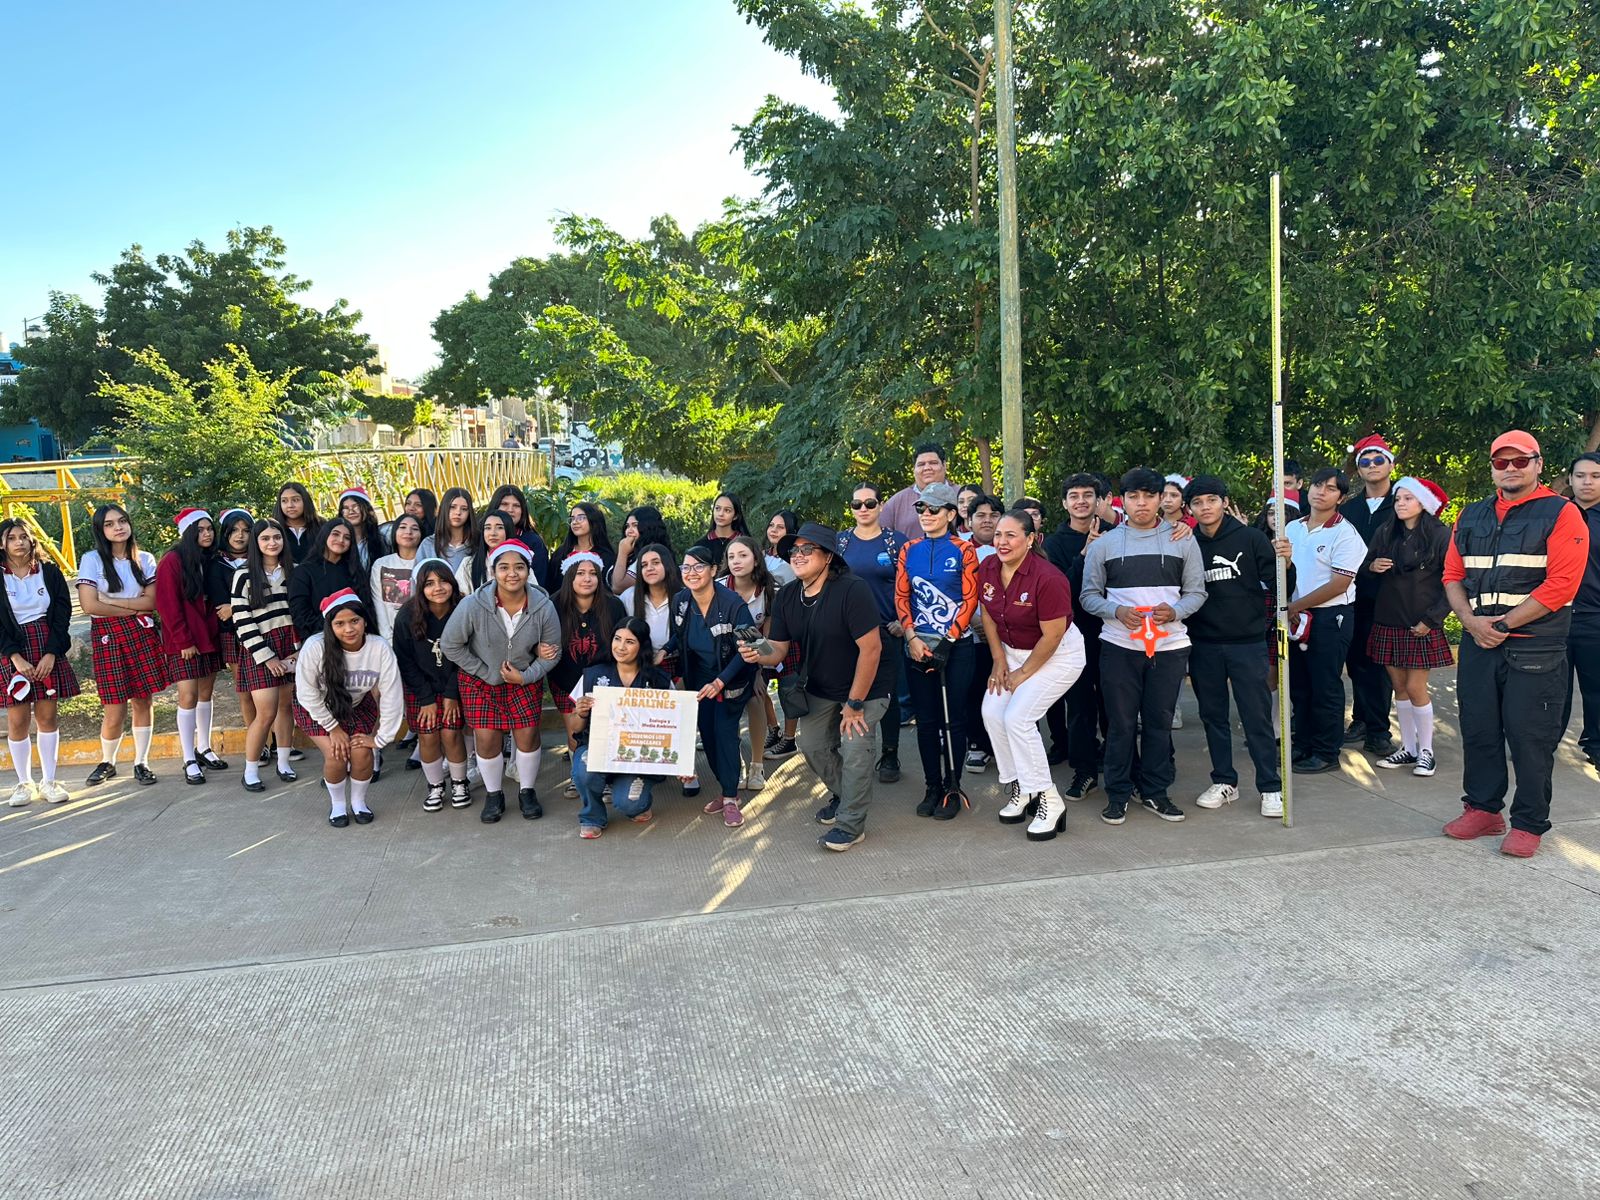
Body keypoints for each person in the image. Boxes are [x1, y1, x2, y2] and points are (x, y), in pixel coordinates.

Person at [1441, 431, 1589, 857]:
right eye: (1501, 462)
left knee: (1530, 737)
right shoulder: (1469, 515)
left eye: (1520, 461)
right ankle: (1484, 809)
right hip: (1478, 643)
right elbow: (1452, 575)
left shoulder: (1561, 514)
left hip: (1536, 647)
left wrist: (1501, 625)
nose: (1510, 468)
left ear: (1538, 465)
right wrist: (1471, 623)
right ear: (1491, 467)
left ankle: (1529, 823)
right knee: (1480, 730)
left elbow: (1561, 585)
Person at [741, 522, 891, 852]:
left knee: (854, 751)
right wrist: (756, 651)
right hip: (821, 687)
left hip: (865, 688)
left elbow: (872, 649)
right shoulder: (789, 596)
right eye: (794, 550)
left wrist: (854, 704)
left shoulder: (853, 590)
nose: (798, 555)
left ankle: (851, 824)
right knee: (811, 745)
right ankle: (847, 795)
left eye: (807, 549)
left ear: (828, 557)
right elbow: (777, 650)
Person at [1082, 468, 1208, 824]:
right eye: (1134, 497)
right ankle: (1118, 794)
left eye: (1149, 496)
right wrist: (1116, 610)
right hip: (1119, 646)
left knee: (1159, 723)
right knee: (1121, 725)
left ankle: (1155, 792)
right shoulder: (1104, 543)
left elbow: (1197, 592)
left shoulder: (1183, 539)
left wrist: (1177, 610)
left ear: (1161, 500)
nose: (1142, 504)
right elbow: (1089, 595)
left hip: (1169, 647)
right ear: (1123, 500)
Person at [977, 510, 1085, 839]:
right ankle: (1023, 787)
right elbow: (989, 615)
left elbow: (1052, 637)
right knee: (992, 712)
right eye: (998, 534)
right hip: (1011, 653)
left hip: (1056, 656)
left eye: (1011, 535)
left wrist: (1023, 673)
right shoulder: (988, 567)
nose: (1002, 541)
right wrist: (998, 660)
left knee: (1018, 719)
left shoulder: (1049, 577)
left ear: (1030, 539)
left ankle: (1049, 800)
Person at [1182, 476, 1285, 818]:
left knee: (1255, 717)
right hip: (1204, 644)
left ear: (1224, 502)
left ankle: (1270, 787)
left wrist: (1286, 561)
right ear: (1190, 509)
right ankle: (1225, 780)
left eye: (1212, 500)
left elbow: (1282, 584)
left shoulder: (1251, 538)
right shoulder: (1186, 542)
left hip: (1247, 644)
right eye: (1198, 502)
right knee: (1213, 716)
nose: (1205, 507)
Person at [440, 541, 562, 823]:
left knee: (528, 734)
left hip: (523, 679)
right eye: (504, 567)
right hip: (480, 681)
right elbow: (450, 644)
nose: (512, 574)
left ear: (528, 571)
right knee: (486, 737)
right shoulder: (473, 604)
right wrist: (485, 671)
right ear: (492, 571)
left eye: (519, 567)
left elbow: (553, 652)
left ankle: (527, 791)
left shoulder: (543, 606)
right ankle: (494, 794)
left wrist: (526, 676)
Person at [893, 482, 980, 818]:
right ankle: (932, 786)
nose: (925, 515)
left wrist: (949, 641)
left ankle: (953, 786)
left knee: (953, 719)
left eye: (932, 509)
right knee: (926, 721)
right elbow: (902, 596)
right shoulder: (909, 549)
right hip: (916, 646)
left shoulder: (964, 549)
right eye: (921, 509)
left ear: (950, 514)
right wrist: (912, 639)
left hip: (955, 648)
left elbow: (970, 598)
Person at [1273, 467, 1367, 774]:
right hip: (1295, 614)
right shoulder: (1294, 528)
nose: (1320, 492)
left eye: (1330, 488)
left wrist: (1294, 606)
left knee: (1324, 684)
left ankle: (1327, 752)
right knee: (1299, 683)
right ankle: (1303, 744)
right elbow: (1285, 570)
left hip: (1329, 616)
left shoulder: (1345, 533)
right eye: (1317, 485)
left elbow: (1339, 584)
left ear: (1341, 497)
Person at [1362, 477, 1453, 776]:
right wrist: (1372, 567)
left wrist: (1432, 620)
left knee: (1415, 687)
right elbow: (1365, 565)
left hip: (1421, 623)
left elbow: (1453, 581)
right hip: (1389, 619)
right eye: (1398, 498)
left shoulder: (1440, 535)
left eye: (1408, 498)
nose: (1400, 503)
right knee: (1399, 688)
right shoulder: (1386, 531)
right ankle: (1409, 748)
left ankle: (1426, 751)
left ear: (1423, 503)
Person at [293, 590, 404, 827]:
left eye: (354, 621)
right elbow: (306, 693)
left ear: (365, 621)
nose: (349, 629)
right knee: (337, 754)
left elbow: (392, 694)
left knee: (363, 753)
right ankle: (338, 806)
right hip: (316, 708)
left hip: (355, 706)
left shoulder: (379, 647)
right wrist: (333, 728)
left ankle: (358, 803)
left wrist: (380, 738)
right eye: (340, 623)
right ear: (330, 626)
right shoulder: (315, 647)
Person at [664, 544, 756, 827]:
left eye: (699, 566)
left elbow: (750, 648)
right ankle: (726, 787)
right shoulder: (681, 601)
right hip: (699, 680)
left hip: (731, 679)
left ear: (714, 570)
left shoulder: (733, 604)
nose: (691, 573)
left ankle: (731, 798)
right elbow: (679, 638)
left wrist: (721, 681)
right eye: (686, 567)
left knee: (725, 733)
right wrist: (662, 652)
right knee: (708, 734)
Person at [76, 504, 165, 786]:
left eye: (122, 521)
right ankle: (108, 761)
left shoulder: (145, 559)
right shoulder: (92, 559)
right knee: (114, 704)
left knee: (143, 699)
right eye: (110, 524)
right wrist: (131, 609)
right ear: (101, 530)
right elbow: (90, 605)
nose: (118, 527)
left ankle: (141, 761)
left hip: (141, 634)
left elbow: (152, 602)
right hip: (108, 634)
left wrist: (112, 601)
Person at [570, 619, 677, 838]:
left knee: (630, 804)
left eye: (630, 641)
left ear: (642, 646)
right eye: (617, 639)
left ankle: (639, 801)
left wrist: (682, 764)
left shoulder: (659, 681)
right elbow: (575, 729)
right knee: (584, 766)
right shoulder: (593, 675)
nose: (621, 647)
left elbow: (674, 727)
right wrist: (580, 712)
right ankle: (592, 816)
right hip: (599, 749)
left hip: (638, 759)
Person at [0, 518, 78, 805]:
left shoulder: (49, 572)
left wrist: (51, 653)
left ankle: (49, 780)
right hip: (12, 650)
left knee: (47, 717)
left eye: (24, 536)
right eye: (12, 538)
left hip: (46, 645)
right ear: (2, 544)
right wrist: (14, 657)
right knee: (18, 719)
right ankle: (23, 783)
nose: (19, 542)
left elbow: (62, 615)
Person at [836, 482, 908, 780]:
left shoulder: (896, 541)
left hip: (887, 630)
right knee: (848, 692)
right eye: (857, 504)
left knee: (885, 696)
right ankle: (853, 755)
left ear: (881, 506)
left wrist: (904, 622)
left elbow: (910, 585)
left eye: (869, 503)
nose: (863, 509)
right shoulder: (839, 543)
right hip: (846, 633)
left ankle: (890, 755)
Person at [1044, 473, 1109, 795]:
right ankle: (1084, 771)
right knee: (1080, 707)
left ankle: (1122, 769)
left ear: (1099, 501)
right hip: (1073, 636)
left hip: (1115, 633)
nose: (1081, 500)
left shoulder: (1117, 535)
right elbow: (1060, 591)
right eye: (1074, 495)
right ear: (1064, 503)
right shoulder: (1053, 545)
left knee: (1116, 705)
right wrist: (1084, 555)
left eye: (1087, 494)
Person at [392, 559, 471, 811]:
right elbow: (404, 660)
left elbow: (469, 655)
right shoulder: (407, 615)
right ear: (420, 587)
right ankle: (435, 786)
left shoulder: (464, 609)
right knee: (427, 736)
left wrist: (451, 694)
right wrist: (426, 699)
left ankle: (460, 782)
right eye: (429, 583)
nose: (438, 588)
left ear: (452, 582)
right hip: (421, 687)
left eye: (443, 581)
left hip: (455, 683)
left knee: (451, 733)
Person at [155, 508, 227, 784]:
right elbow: (167, 605)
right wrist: (184, 640)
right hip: (184, 641)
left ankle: (204, 747)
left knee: (206, 694)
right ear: (188, 532)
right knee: (187, 696)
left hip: (208, 637)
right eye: (200, 530)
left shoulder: (210, 559)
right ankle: (188, 758)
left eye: (210, 529)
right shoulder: (172, 561)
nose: (207, 534)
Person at [231, 518, 301, 792]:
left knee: (287, 707)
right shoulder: (244, 575)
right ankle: (250, 770)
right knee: (266, 712)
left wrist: (297, 651)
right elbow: (241, 619)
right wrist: (267, 657)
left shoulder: (292, 571)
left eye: (277, 537)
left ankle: (284, 763)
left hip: (290, 645)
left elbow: (299, 613)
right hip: (261, 648)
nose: (272, 543)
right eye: (265, 538)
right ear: (256, 543)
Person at [549, 554, 629, 789]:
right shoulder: (554, 604)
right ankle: (578, 775)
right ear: (570, 577)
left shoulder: (613, 605)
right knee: (575, 732)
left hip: (604, 681)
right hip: (564, 679)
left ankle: (602, 778)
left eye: (592, 573)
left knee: (603, 731)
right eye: (580, 573)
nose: (587, 579)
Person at [1341, 434, 1399, 754]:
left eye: (1379, 460)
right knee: (1357, 662)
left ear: (1390, 464)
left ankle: (1379, 731)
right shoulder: (1349, 509)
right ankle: (1361, 720)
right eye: (1365, 461)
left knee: (1380, 667)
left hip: (1392, 599)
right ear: (1359, 469)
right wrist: (1366, 567)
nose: (1372, 466)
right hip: (1353, 596)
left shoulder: (1403, 503)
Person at [721, 535, 777, 793]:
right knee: (725, 710)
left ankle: (756, 765)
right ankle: (733, 762)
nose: (736, 561)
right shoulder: (717, 586)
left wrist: (758, 672)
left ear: (756, 559)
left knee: (756, 698)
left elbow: (766, 638)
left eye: (743, 555)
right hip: (721, 657)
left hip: (755, 659)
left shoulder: (768, 591)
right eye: (731, 556)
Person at [209, 508, 263, 760]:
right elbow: (222, 610)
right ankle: (258, 744)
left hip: (264, 629)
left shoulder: (262, 558)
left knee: (270, 690)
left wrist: (237, 606)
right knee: (246, 690)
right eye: (234, 530)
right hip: (232, 634)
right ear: (226, 533)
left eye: (246, 530)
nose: (240, 536)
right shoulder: (216, 564)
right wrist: (244, 605)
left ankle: (277, 741)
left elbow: (270, 596)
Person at [1561, 452, 1600, 766]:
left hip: (1595, 618)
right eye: (1581, 475)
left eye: (1595, 476)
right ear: (1570, 479)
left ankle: (1596, 745)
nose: (1587, 482)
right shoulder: (1556, 514)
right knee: (1551, 688)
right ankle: (1543, 741)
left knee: (1596, 688)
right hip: (1554, 616)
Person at [960, 492, 1002, 774]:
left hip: (1007, 634)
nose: (987, 521)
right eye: (981, 516)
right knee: (973, 691)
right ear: (969, 519)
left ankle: (1004, 745)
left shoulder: (1011, 544)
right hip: (970, 634)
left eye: (993, 515)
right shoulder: (959, 547)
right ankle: (976, 744)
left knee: (1004, 691)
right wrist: (974, 620)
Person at [288, 518, 371, 640]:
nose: (341, 540)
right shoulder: (303, 572)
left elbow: (366, 609)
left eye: (347, 537)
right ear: (325, 535)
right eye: (335, 534)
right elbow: (300, 615)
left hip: (355, 641)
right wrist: (334, 630)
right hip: (319, 641)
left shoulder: (356, 572)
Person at [620, 544, 680, 673]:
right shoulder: (629, 597)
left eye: (656, 563)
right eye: (644, 565)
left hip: (677, 665)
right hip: (638, 664)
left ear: (667, 564)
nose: (649, 568)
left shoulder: (683, 598)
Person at [368, 513, 424, 640]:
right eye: (403, 527)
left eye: (415, 529)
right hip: (389, 636)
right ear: (394, 532)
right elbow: (378, 603)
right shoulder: (381, 564)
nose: (408, 532)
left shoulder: (425, 564)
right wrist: (387, 638)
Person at [881, 444, 949, 539]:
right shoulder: (895, 504)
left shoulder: (963, 497)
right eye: (921, 464)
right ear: (914, 469)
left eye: (933, 463)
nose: (927, 468)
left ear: (944, 465)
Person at [486, 483, 550, 584]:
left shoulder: (534, 543)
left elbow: (539, 585)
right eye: (504, 504)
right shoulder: (483, 536)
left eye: (516, 505)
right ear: (495, 506)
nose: (510, 510)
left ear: (523, 510)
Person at [548, 502, 615, 591]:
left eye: (581, 518)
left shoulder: (606, 557)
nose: (575, 522)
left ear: (593, 520)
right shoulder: (561, 553)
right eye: (572, 519)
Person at [611, 505, 674, 594]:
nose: (629, 531)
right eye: (627, 526)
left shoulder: (651, 554)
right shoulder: (633, 553)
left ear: (649, 527)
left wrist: (622, 553)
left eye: (635, 525)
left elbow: (618, 587)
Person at [456, 510, 514, 595]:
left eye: (500, 527)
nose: (493, 533)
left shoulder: (521, 562)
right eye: (487, 528)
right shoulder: (468, 564)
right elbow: (460, 597)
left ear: (508, 530)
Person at [419, 487, 476, 569]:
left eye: (464, 509)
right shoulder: (428, 544)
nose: (458, 512)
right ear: (444, 509)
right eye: (452, 507)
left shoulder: (477, 543)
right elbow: (417, 578)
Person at [337, 486, 386, 571]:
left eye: (356, 506)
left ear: (367, 508)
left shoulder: (382, 539)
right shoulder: (337, 541)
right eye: (346, 508)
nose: (351, 511)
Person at [273, 482, 322, 556]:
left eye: (295, 500)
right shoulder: (273, 528)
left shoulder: (322, 526)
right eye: (284, 501)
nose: (290, 505)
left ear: (305, 501)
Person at [701, 493, 749, 567]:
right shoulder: (701, 544)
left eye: (727, 510)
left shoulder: (746, 544)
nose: (720, 514)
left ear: (735, 516)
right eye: (717, 508)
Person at [762, 510, 800, 585]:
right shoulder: (760, 555)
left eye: (780, 527)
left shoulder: (795, 559)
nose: (773, 530)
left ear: (791, 530)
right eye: (771, 525)